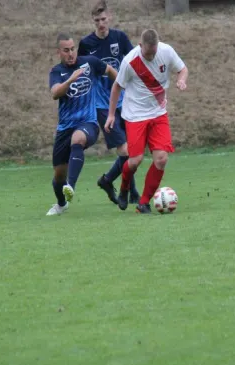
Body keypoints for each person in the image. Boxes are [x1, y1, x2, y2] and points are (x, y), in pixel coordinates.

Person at [105, 29, 189, 214]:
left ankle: (143, 203)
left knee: (161, 159)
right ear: (140, 46)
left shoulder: (166, 51)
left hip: (158, 114)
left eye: (154, 53)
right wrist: (111, 115)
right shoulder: (130, 61)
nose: (151, 57)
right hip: (135, 115)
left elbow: (182, 69)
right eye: (147, 53)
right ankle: (125, 187)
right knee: (135, 160)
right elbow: (117, 86)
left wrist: (181, 80)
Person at [46, 32, 117, 216]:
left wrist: (122, 85)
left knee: (77, 139)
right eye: (66, 50)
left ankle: (71, 186)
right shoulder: (56, 72)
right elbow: (55, 93)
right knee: (58, 176)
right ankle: (62, 204)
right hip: (64, 128)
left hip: (88, 123)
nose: (71, 53)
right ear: (58, 52)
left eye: (72, 49)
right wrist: (70, 79)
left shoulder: (90, 63)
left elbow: (109, 70)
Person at [78, 0, 140, 206]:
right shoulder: (86, 44)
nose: (101, 24)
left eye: (103, 19)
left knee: (132, 150)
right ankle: (121, 187)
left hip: (126, 102)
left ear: (110, 17)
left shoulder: (120, 38)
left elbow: (133, 62)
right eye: (97, 21)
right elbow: (81, 74)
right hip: (102, 106)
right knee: (125, 151)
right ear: (93, 21)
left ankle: (120, 187)